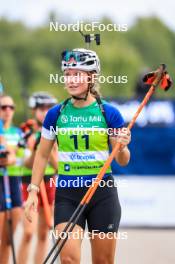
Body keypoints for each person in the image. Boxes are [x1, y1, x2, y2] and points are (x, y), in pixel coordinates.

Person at [24, 48, 131, 264]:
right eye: (67, 75)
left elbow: (123, 160)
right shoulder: (55, 114)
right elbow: (42, 155)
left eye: (77, 74)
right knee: (69, 260)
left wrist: (121, 147)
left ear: (91, 76)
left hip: (102, 194)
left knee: (103, 261)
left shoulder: (108, 113)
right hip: (67, 194)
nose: (71, 80)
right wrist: (33, 191)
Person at [18, 92, 58, 264]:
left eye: (49, 108)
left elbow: (59, 166)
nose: (45, 112)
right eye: (41, 108)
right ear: (34, 110)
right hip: (30, 183)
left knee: (44, 233)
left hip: (50, 181)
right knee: (28, 233)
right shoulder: (26, 130)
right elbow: (26, 164)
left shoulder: (57, 129)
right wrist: (37, 150)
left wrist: (49, 150)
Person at [0, 95, 22, 263]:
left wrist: (12, 157)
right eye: (3, 107)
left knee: (8, 239)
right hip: (1, 180)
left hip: (14, 181)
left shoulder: (18, 132)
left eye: (11, 107)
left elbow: (25, 159)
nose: (7, 110)